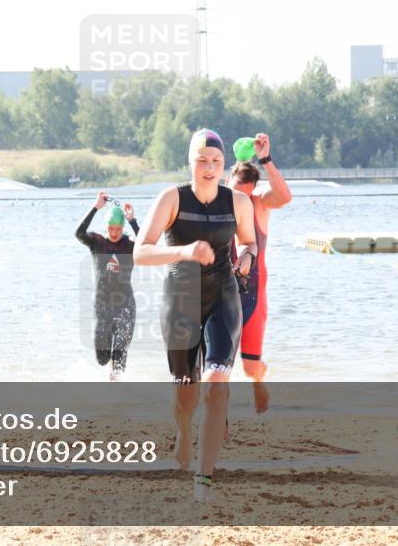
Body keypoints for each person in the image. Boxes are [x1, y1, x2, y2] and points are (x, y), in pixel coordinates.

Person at [134, 128, 257, 501]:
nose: (209, 167)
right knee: (186, 395)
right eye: (202, 160)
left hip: (223, 293)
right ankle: (184, 431)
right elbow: (141, 252)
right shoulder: (171, 198)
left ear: (224, 165)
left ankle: (204, 479)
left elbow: (249, 241)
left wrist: (247, 258)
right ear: (190, 162)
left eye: (216, 161)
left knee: (216, 384)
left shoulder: (238, 201)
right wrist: (186, 251)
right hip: (181, 297)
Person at [226, 132, 292, 413]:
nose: (240, 200)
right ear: (227, 182)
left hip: (253, 292)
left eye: (246, 194)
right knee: (219, 359)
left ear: (252, 189)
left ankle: (257, 383)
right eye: (235, 193)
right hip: (221, 290)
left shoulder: (259, 203)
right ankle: (220, 413)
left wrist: (266, 159)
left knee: (251, 364)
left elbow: (284, 196)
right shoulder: (216, 200)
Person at [75, 191, 140, 381]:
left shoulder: (129, 246)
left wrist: (133, 221)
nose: (114, 233)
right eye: (111, 228)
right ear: (106, 227)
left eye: (118, 229)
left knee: (119, 353)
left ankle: (116, 386)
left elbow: (147, 243)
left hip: (125, 305)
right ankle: (110, 368)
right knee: (102, 358)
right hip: (102, 305)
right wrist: (96, 207)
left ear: (122, 228)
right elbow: (78, 233)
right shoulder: (97, 242)